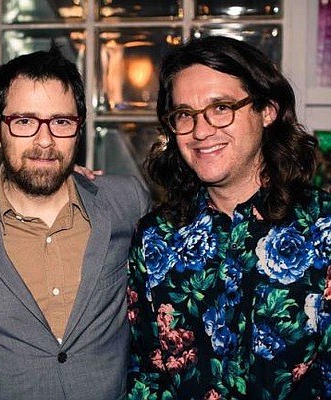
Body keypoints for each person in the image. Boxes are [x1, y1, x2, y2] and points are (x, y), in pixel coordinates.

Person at [0, 44, 150, 399]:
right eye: (24, 122)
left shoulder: (127, 201)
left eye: (61, 122)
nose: (44, 140)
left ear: (78, 130)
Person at [126, 35, 331, 400]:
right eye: (184, 115)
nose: (201, 131)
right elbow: (147, 376)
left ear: (267, 109)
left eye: (221, 108)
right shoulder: (154, 238)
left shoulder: (323, 229)